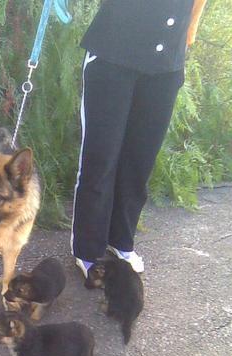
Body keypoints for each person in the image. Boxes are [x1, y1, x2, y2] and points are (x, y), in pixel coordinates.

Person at [71, 0, 207, 276]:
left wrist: (187, 35)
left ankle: (120, 240)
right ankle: (88, 249)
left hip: (166, 62)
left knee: (139, 160)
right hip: (113, 55)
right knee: (101, 158)